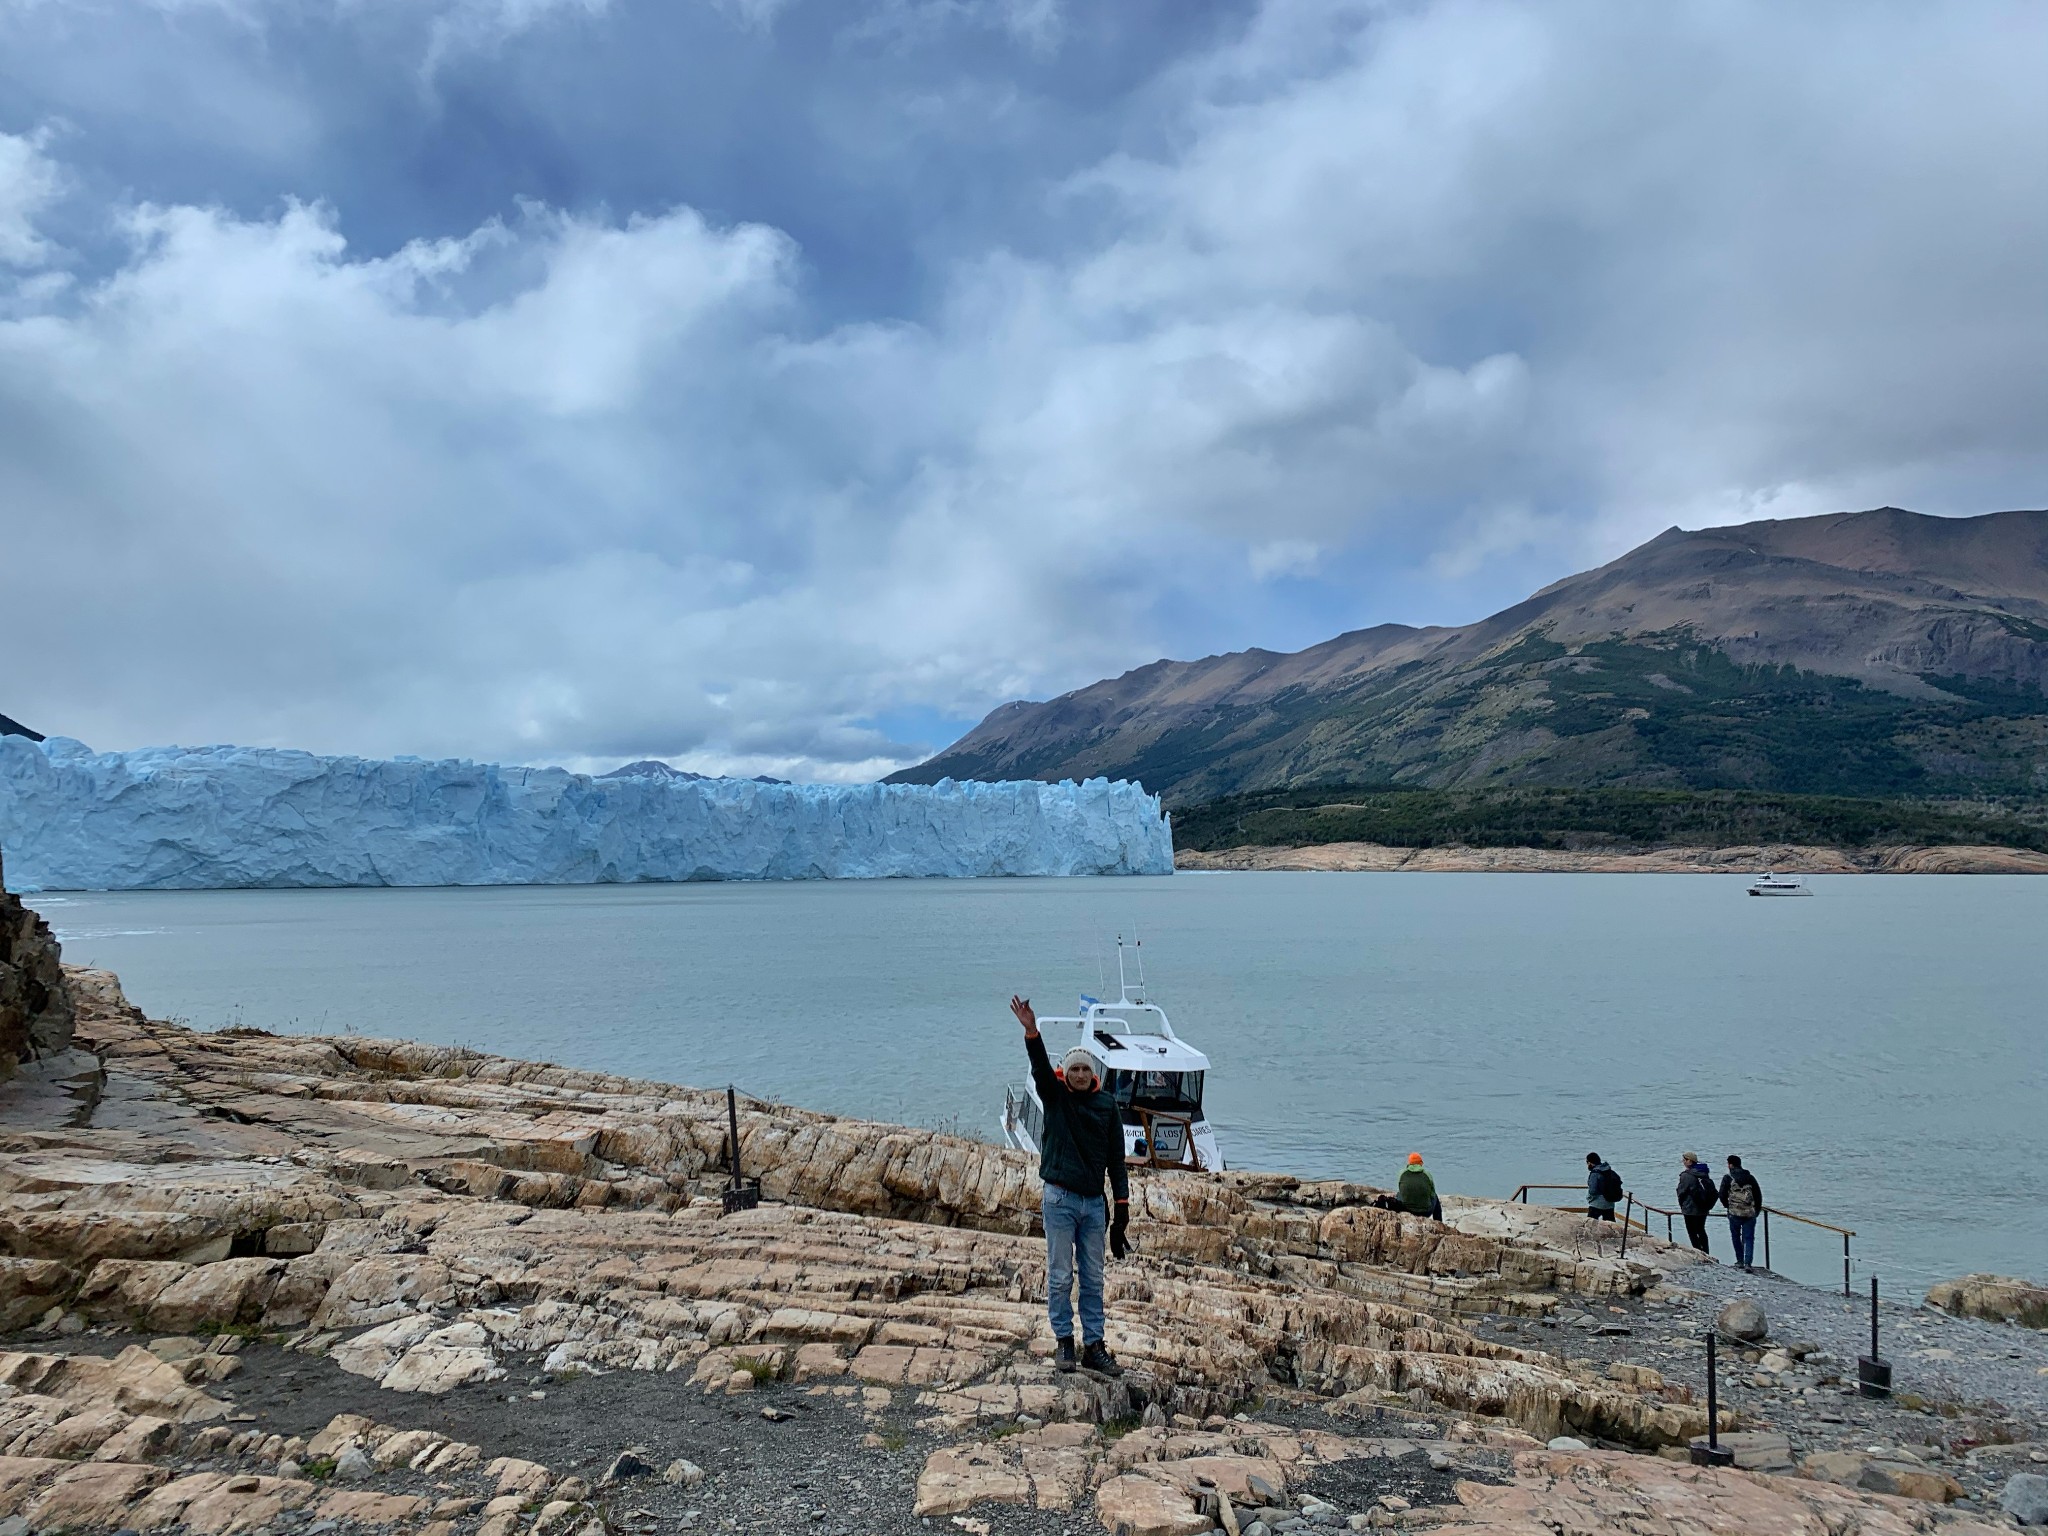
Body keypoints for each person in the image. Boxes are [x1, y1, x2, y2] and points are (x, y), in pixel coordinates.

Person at [1010, 995, 1129, 1377]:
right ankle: (1064, 1341)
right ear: (1067, 1071)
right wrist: (1032, 1031)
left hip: (1094, 1205)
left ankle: (1094, 1345)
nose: (1079, 1074)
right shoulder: (1055, 1096)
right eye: (1073, 1068)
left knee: (1093, 1277)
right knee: (1061, 1274)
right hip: (1059, 1199)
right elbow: (1041, 1068)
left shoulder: (1107, 1106)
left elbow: (1116, 1159)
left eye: (1084, 1069)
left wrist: (1121, 1211)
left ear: (1092, 1074)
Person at [1720, 1155, 1764, 1270]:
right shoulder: (1750, 1177)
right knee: (1749, 1238)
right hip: (1749, 1213)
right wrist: (1756, 1210)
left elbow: (1722, 1195)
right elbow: (1758, 1195)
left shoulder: (1727, 1178)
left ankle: (1740, 1261)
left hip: (1734, 1212)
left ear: (1730, 1165)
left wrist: (1728, 1206)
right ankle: (1748, 1263)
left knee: (1735, 1236)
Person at [1676, 1152, 1718, 1254]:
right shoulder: (1703, 1173)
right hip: (1703, 1207)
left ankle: (1699, 1252)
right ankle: (1706, 1252)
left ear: (1690, 1161)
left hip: (1690, 1208)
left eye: (1685, 1160)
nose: (1683, 1162)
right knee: (1701, 1230)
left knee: (1692, 1232)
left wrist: (1682, 1205)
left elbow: (1681, 1192)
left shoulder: (1686, 1175)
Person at [1397, 1152, 1443, 1221]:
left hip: (1406, 1210)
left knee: (1398, 1194)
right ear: (1420, 1163)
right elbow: (1432, 1193)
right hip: (1425, 1212)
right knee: (1435, 1196)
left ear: (1409, 1163)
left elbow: (1401, 1189)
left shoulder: (1402, 1173)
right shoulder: (1427, 1174)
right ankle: (1438, 1222)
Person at [1585, 1152, 1622, 1221]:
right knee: (1610, 1225)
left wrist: (1589, 1198)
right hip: (1610, 1203)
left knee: (1590, 1224)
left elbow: (1593, 1191)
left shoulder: (1595, 1173)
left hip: (1596, 1204)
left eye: (1587, 1162)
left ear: (1590, 1162)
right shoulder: (1608, 1170)